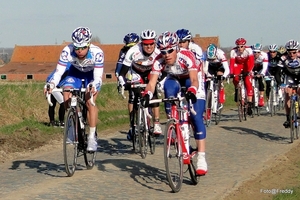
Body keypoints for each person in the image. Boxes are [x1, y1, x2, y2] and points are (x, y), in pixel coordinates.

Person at [143, 31, 207, 176]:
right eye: (163, 51)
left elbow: (195, 80)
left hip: (193, 79)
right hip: (175, 78)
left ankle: (201, 157)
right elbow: (152, 83)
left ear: (176, 48)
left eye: (170, 50)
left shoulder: (187, 55)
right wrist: (146, 94)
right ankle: (175, 126)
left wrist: (191, 90)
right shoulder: (159, 60)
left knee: (196, 117)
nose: (166, 54)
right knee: (168, 89)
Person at [44, 26, 104, 152]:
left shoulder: (97, 53)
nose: (79, 51)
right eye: (77, 48)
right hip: (75, 74)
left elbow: (98, 77)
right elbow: (59, 72)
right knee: (66, 93)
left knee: (89, 102)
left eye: (83, 48)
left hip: (91, 76)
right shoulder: (67, 50)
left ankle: (92, 137)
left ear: (88, 44)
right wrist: (52, 84)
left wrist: (94, 86)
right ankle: (72, 123)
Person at [118, 29, 163, 141]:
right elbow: (122, 72)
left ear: (155, 43)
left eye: (151, 44)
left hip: (151, 72)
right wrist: (123, 83)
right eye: (146, 44)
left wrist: (161, 81)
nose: (149, 47)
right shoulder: (133, 51)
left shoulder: (159, 51)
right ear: (141, 43)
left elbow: (165, 69)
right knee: (134, 94)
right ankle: (133, 124)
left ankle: (156, 123)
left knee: (154, 92)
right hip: (136, 73)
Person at [203, 43, 229, 117]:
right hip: (211, 67)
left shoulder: (221, 54)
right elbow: (205, 68)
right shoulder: (205, 54)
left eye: (213, 58)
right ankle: (208, 103)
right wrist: (208, 75)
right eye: (210, 59)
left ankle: (220, 100)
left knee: (219, 75)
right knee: (208, 82)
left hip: (220, 67)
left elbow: (227, 69)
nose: (212, 60)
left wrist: (223, 76)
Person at [278, 40, 300, 128]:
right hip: (289, 78)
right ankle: (288, 118)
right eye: (289, 52)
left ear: (297, 51)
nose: (292, 55)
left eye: (294, 52)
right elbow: (277, 72)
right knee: (287, 94)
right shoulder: (283, 59)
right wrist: (281, 84)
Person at [229, 38, 254, 115]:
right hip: (238, 65)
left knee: (247, 81)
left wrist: (249, 71)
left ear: (244, 46)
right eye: (238, 46)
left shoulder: (249, 50)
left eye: (242, 46)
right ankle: (237, 90)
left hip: (247, 64)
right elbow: (232, 64)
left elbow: (252, 62)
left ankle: (249, 104)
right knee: (235, 78)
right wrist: (231, 73)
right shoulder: (233, 51)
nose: (240, 48)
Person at [45, 63, 70, 127]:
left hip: (57, 86)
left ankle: (52, 121)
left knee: (53, 104)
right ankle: (61, 121)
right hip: (52, 84)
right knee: (62, 102)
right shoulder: (68, 65)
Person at [265, 44, 283, 112]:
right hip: (269, 70)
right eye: (271, 52)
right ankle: (268, 102)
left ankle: (278, 92)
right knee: (268, 85)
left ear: (276, 52)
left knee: (278, 79)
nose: (272, 53)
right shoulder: (267, 55)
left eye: (274, 52)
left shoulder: (279, 56)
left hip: (277, 69)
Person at [251, 43, 268, 107]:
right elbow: (248, 66)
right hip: (252, 67)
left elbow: (265, 67)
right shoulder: (250, 55)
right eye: (254, 52)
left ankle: (261, 97)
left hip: (260, 68)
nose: (256, 54)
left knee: (260, 79)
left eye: (258, 52)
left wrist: (262, 74)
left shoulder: (264, 55)